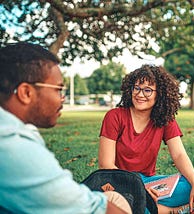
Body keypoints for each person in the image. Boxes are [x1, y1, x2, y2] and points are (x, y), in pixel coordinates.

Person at [0, 42, 131, 214]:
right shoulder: (12, 146)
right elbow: (95, 209)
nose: (62, 98)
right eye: (58, 90)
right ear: (26, 93)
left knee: (114, 197)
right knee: (117, 202)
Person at [98, 65, 194, 214]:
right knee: (120, 203)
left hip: (149, 183)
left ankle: (146, 207)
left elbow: (179, 154)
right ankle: (175, 211)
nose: (140, 94)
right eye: (136, 88)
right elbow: (106, 165)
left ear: (159, 94)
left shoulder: (165, 119)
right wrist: (139, 190)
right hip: (119, 183)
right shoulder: (114, 116)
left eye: (147, 90)